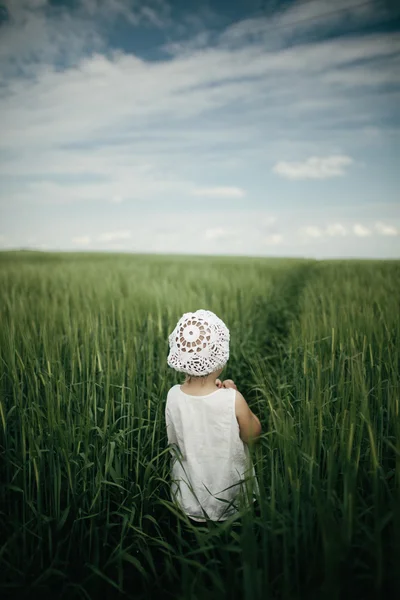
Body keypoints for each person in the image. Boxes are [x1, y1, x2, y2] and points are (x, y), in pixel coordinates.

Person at [165, 309, 262, 525]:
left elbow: (173, 442)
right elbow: (253, 435)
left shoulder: (173, 396)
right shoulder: (232, 399)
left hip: (188, 498)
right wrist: (236, 394)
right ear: (219, 358)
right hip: (231, 499)